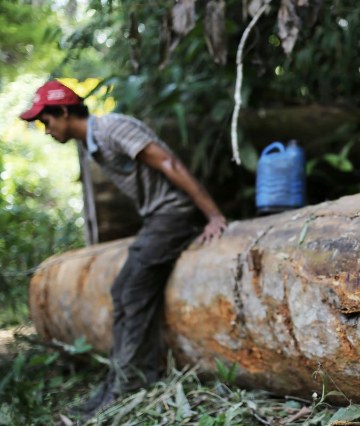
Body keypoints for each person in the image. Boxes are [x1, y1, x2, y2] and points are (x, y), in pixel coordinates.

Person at [19, 80, 228, 418]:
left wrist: (213, 215)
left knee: (130, 290)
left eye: (47, 121)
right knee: (122, 289)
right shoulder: (91, 144)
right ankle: (120, 380)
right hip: (157, 219)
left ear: (63, 111)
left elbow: (169, 163)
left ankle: (128, 385)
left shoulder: (113, 128)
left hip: (173, 215)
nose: (46, 130)